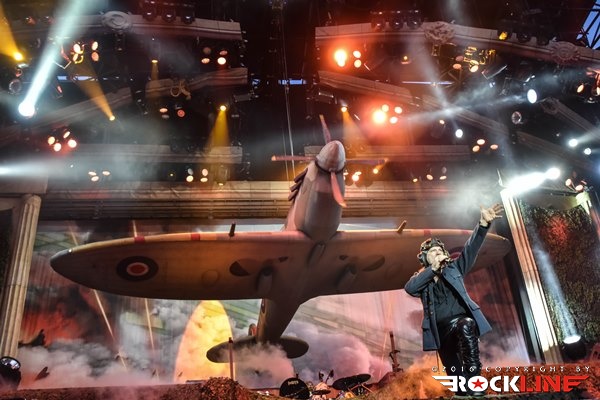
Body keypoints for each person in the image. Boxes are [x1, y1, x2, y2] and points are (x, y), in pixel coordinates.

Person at [404, 204, 504, 397]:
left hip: (459, 323)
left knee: (466, 324)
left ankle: (475, 381)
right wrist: (433, 270)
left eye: (439, 250)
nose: (437, 253)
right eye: (432, 252)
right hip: (440, 332)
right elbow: (410, 288)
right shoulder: (421, 278)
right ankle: (464, 388)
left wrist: (483, 225)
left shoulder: (454, 269)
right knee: (458, 385)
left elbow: (471, 249)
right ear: (425, 258)